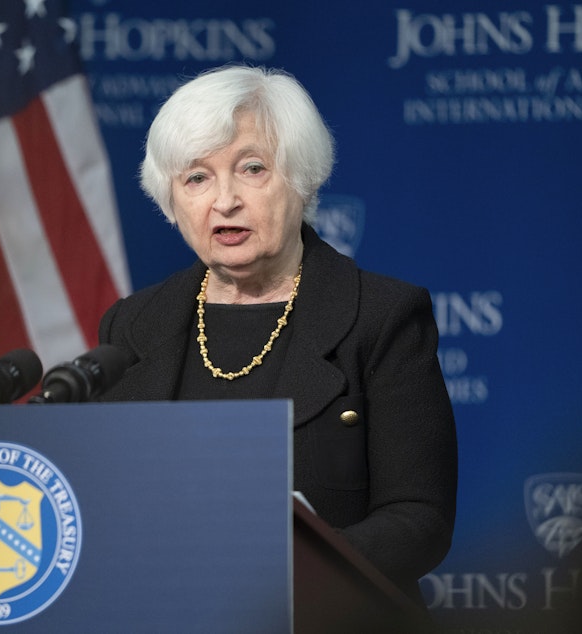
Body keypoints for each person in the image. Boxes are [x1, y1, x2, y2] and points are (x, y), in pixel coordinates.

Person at [97, 64, 457, 608]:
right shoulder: (131, 324)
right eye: (196, 178)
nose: (224, 200)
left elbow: (419, 518)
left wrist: (284, 578)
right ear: (171, 200)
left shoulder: (382, 317)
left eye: (252, 169)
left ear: (302, 178)